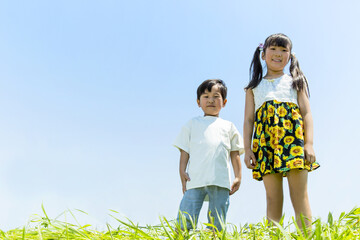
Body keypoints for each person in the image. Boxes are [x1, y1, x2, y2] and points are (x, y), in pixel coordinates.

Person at [243, 33, 320, 229]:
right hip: (266, 144)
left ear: (290, 55)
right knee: (273, 198)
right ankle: (273, 235)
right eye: (274, 49)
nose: (278, 54)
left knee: (300, 196)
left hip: (294, 142)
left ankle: (308, 235)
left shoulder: (296, 81)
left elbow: (307, 114)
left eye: (284, 50)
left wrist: (309, 144)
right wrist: (248, 149)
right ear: (263, 54)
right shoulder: (253, 88)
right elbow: (249, 120)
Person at [174, 79, 244, 231]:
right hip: (195, 179)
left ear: (224, 102)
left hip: (220, 180)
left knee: (217, 221)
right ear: (198, 102)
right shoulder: (192, 124)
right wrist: (182, 171)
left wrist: (238, 176)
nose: (211, 100)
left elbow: (235, 152)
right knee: (186, 217)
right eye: (205, 96)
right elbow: (184, 149)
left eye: (216, 96)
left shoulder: (229, 126)